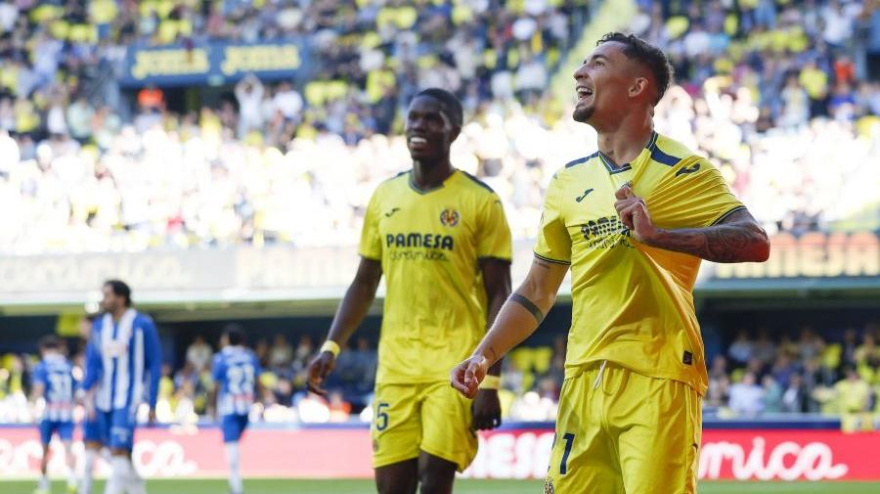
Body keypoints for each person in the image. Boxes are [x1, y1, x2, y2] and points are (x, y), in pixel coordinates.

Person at [450, 32, 770, 494]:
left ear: (638, 87)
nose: (580, 73)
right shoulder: (567, 182)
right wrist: (485, 353)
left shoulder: (684, 170)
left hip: (658, 378)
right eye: (582, 64)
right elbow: (537, 290)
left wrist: (661, 237)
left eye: (597, 64)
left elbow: (754, 241)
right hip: (582, 379)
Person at [307, 88, 513, 494]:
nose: (418, 126)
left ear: (453, 131)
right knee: (391, 488)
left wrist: (490, 379)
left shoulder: (481, 202)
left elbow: (501, 296)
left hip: (454, 367)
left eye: (431, 119)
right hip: (396, 370)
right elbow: (364, 282)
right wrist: (331, 346)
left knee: (435, 478)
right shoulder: (385, 197)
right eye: (413, 118)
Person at [81, 280, 162, 494]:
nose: (103, 299)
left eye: (107, 295)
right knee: (121, 453)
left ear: (121, 298)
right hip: (102, 398)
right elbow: (93, 362)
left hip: (128, 398)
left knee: (117, 450)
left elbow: (154, 363)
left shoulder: (142, 324)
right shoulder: (99, 326)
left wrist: (152, 401)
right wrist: (83, 390)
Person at [209, 324, 262, 494]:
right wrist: (262, 400)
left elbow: (215, 386)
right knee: (235, 443)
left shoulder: (221, 358)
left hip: (229, 407)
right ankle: (235, 485)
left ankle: (236, 487)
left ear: (227, 339)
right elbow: (258, 381)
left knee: (231, 447)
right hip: (247, 406)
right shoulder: (250, 356)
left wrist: (211, 407)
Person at [31, 335, 77, 494]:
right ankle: (72, 482)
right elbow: (76, 390)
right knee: (68, 448)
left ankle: (44, 486)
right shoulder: (67, 364)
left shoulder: (42, 366)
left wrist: (34, 409)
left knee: (44, 449)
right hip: (67, 412)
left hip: (49, 412)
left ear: (43, 349)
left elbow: (39, 389)